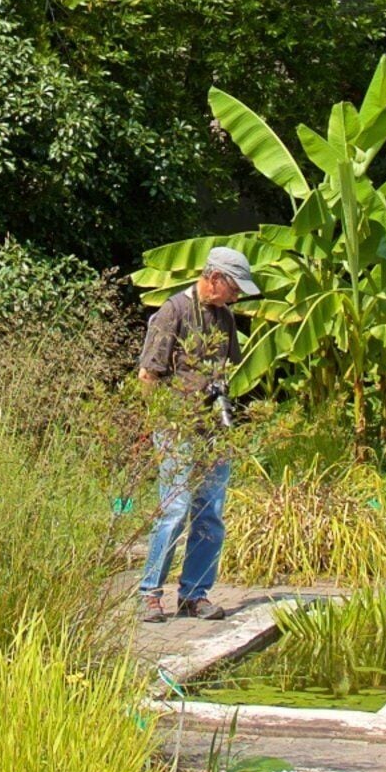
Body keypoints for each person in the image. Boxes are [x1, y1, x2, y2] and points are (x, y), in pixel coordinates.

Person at [137, 244, 258, 620]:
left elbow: (224, 371)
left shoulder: (225, 318)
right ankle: (150, 594)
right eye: (234, 288)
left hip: (213, 428)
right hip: (176, 425)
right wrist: (159, 424)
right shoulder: (172, 312)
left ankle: (195, 594)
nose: (237, 296)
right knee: (174, 510)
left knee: (211, 513)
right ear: (215, 278)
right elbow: (147, 376)